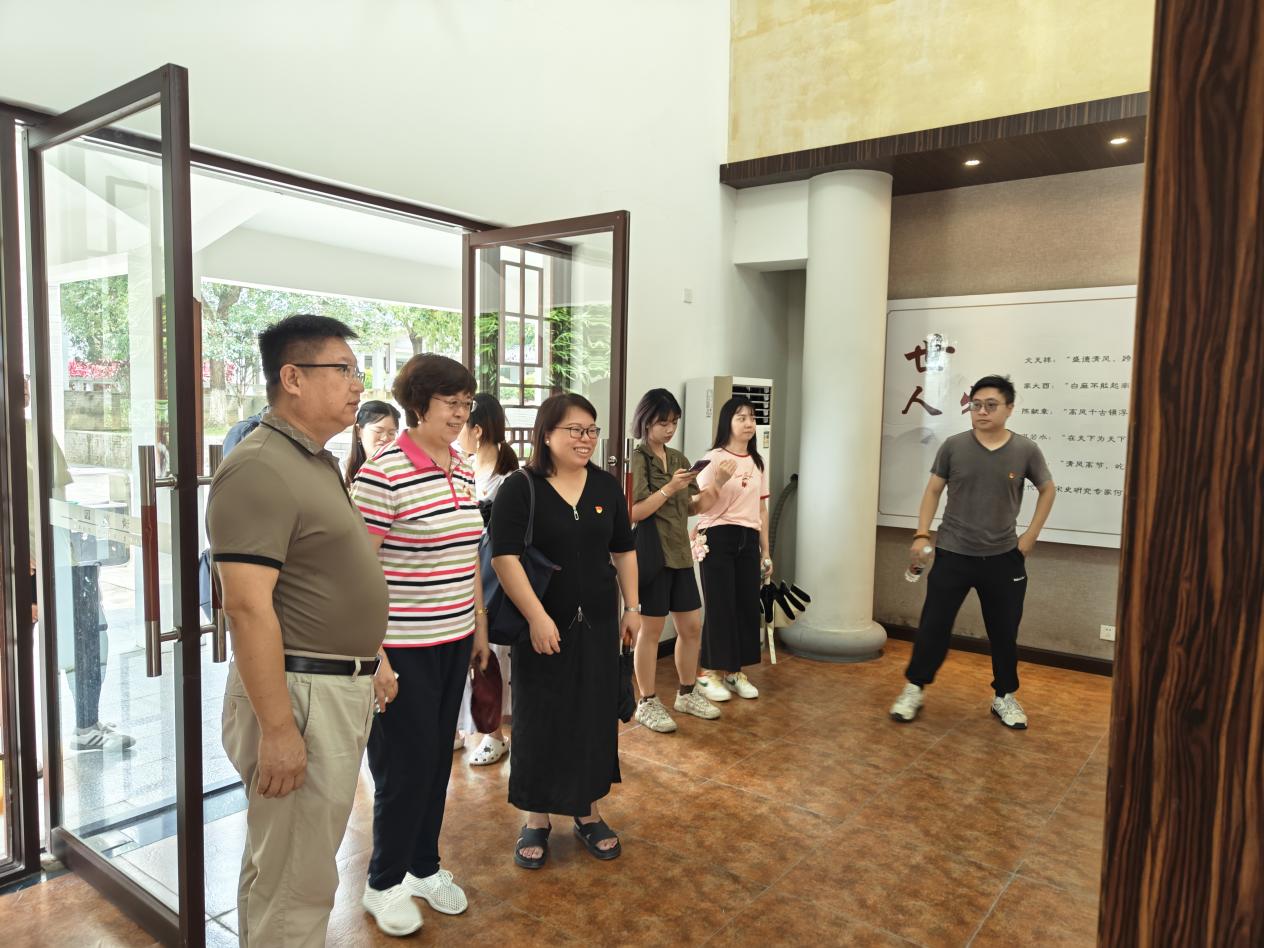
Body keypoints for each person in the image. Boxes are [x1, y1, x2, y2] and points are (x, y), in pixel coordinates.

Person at [208, 314, 389, 948]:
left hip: (330, 685)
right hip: (300, 694)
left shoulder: (312, 460)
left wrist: (373, 657)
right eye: (343, 370)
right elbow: (246, 608)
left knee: (284, 866)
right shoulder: (260, 467)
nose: (357, 384)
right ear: (292, 378)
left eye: (356, 371)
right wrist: (279, 730)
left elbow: (326, 576)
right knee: (295, 881)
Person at [350, 354, 490, 936]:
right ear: (418, 404)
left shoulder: (461, 467)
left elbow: (467, 554)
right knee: (402, 769)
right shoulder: (382, 473)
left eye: (466, 404)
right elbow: (355, 575)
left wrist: (479, 625)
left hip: (453, 640)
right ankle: (382, 883)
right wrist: (375, 658)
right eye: (449, 403)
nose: (460, 414)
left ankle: (423, 866)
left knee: (436, 761)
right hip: (401, 648)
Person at [490, 393, 639, 869]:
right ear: (547, 434)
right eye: (575, 429)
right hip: (541, 624)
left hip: (597, 623)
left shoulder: (605, 486)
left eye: (592, 430)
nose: (586, 438)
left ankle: (587, 811)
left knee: (593, 715)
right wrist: (536, 616)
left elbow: (624, 549)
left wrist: (633, 607)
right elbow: (504, 557)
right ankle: (536, 818)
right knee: (540, 717)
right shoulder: (521, 487)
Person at [889, 374, 1057, 729]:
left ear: (1009, 409)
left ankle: (1004, 696)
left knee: (1004, 630)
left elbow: (1048, 489)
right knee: (934, 625)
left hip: (1004, 557)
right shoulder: (954, 446)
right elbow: (933, 490)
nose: (981, 411)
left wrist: (1030, 536)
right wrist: (922, 533)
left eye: (991, 405)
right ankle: (914, 687)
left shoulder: (1025, 450)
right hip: (953, 553)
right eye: (976, 405)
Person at [24, 376, 131, 751]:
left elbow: (58, 499)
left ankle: (87, 723)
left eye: (26, 377)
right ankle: (19, 748)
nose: (25, 384)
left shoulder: (35, 431)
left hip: (60, 556)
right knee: (20, 652)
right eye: (15, 378)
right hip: (27, 563)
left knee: (88, 634)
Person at [627, 388, 734, 733]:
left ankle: (687, 693)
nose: (670, 429)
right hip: (652, 555)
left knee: (691, 627)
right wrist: (669, 488)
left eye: (674, 422)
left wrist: (717, 484)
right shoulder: (637, 459)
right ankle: (646, 701)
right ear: (646, 422)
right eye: (663, 423)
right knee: (651, 631)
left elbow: (693, 507)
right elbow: (634, 511)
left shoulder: (678, 458)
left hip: (680, 554)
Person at [693, 396, 772, 703]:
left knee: (744, 606)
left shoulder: (757, 462)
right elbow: (699, 505)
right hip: (717, 536)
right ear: (727, 422)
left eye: (752, 417)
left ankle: (733, 672)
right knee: (719, 605)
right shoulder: (712, 458)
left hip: (748, 538)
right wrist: (720, 480)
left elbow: (761, 509)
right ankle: (708, 673)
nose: (749, 423)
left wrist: (766, 552)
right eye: (741, 417)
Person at [455, 393, 519, 765]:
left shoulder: (508, 479)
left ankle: (494, 733)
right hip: (462, 575)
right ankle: (463, 727)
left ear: (477, 430)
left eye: (461, 422)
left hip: (492, 579)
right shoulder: (463, 469)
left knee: (491, 655)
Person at [343, 399, 400, 486]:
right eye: (378, 431)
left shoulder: (399, 472)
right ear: (358, 430)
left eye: (391, 433)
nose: (385, 438)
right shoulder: (343, 469)